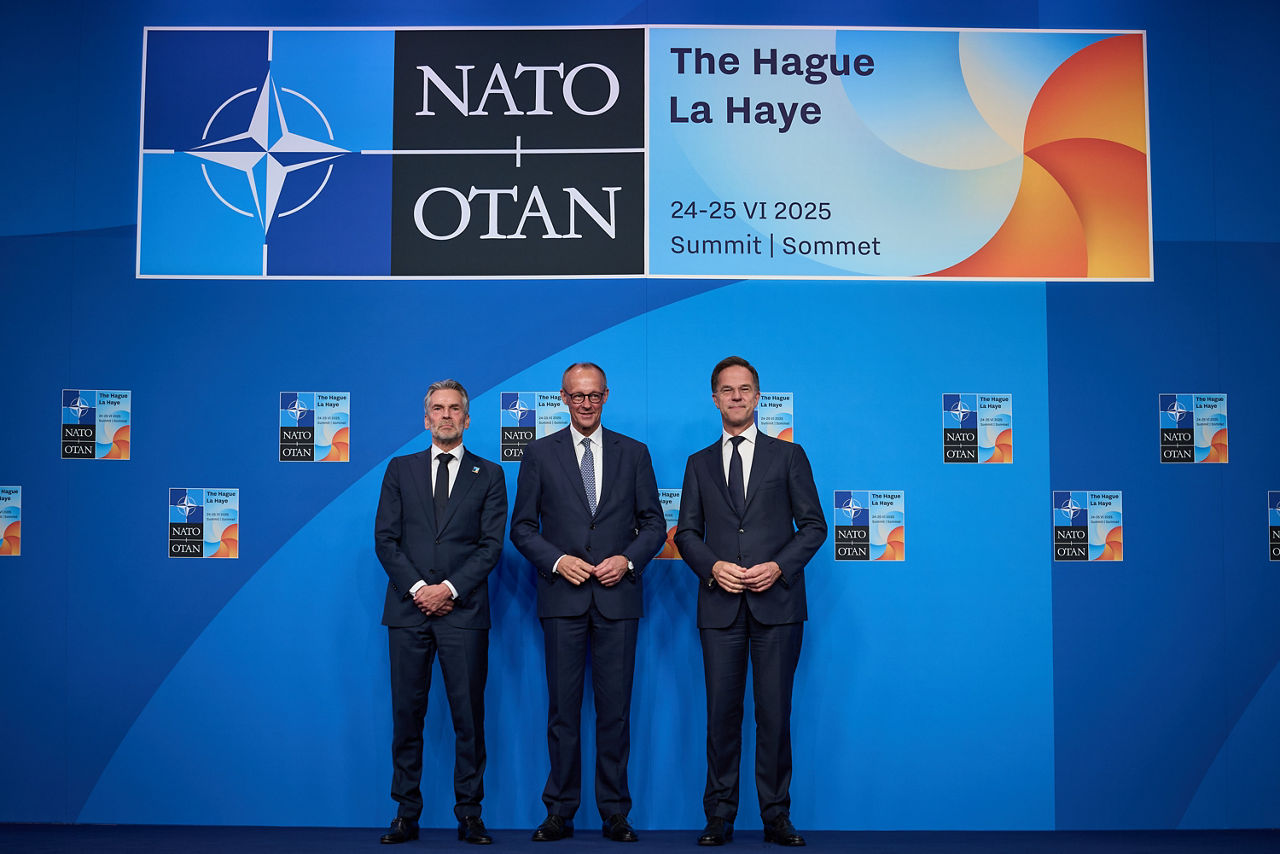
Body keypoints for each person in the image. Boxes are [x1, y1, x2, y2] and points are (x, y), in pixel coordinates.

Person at [675, 356, 827, 848]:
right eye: (727, 390)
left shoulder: (790, 456)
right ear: (715, 398)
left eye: (745, 389)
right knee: (721, 715)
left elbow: (814, 527)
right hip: (720, 606)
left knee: (774, 714)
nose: (736, 397)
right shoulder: (698, 463)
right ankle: (718, 816)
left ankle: (776, 816)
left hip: (777, 606)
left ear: (758, 397)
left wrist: (779, 566)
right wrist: (713, 567)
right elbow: (688, 533)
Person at [510, 362, 665, 843]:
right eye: (577, 396)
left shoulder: (634, 453)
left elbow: (655, 525)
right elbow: (521, 528)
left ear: (606, 396)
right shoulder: (538, 454)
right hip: (563, 600)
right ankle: (560, 810)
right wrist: (557, 561)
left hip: (618, 598)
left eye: (594, 395)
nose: (586, 403)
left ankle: (615, 812)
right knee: (563, 711)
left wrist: (628, 560)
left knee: (615, 712)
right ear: (563, 398)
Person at [374, 380, 507, 845]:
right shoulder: (399, 470)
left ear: (467, 419)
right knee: (407, 715)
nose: (446, 415)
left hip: (463, 613)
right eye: (438, 408)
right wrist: (419, 590)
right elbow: (385, 541)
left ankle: (469, 813)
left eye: (455, 409)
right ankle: (405, 813)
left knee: (468, 717)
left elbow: (491, 547)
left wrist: (448, 588)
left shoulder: (489, 475)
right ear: (425, 418)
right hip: (408, 613)